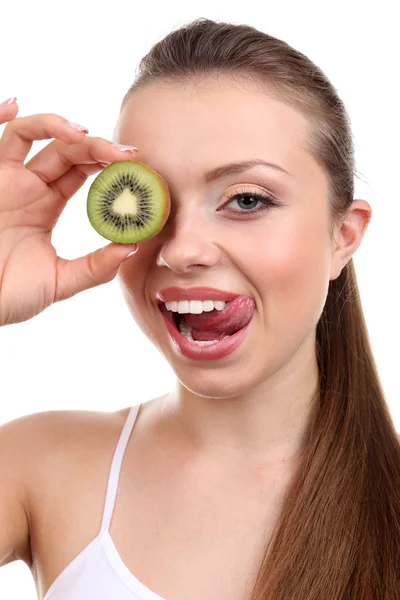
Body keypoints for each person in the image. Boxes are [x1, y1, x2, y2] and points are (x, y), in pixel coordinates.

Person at [0, 17, 399, 600]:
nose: (183, 249)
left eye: (246, 199)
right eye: (152, 201)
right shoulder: (38, 464)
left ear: (343, 235)